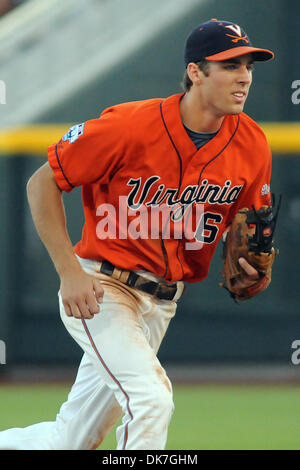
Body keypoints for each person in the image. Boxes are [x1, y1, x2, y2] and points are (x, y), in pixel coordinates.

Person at [0, 18, 274, 450]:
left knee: (71, 441)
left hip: (161, 304)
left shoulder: (253, 144)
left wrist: (254, 269)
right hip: (100, 288)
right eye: (229, 65)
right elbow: (42, 183)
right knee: (151, 400)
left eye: (249, 66)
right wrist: (69, 272)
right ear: (196, 72)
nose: (244, 76)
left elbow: (249, 230)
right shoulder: (129, 126)